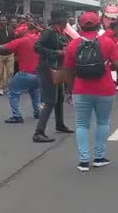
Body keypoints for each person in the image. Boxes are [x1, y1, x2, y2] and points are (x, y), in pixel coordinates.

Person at [64, 11, 118, 172]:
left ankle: (83, 161)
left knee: (82, 124)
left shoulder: (73, 44)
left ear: (80, 25)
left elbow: (68, 70)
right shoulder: (108, 42)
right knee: (102, 122)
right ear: (99, 24)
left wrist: (70, 91)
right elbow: (117, 65)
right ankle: (99, 157)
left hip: (81, 89)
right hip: (105, 89)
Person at [0, 30, 41, 124]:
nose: (15, 35)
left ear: (20, 33)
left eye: (16, 34)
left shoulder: (20, 41)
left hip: (26, 73)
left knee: (13, 93)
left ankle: (17, 116)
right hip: (40, 74)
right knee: (35, 92)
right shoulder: (38, 39)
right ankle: (38, 112)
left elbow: (4, 49)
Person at [33, 9, 74, 143]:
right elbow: (37, 47)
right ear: (60, 20)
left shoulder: (60, 33)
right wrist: (56, 52)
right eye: (66, 19)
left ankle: (60, 124)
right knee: (50, 100)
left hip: (58, 68)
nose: (67, 21)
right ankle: (39, 132)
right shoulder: (49, 32)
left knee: (60, 97)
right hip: (48, 68)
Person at [0, 16, 15, 96]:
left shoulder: (10, 29)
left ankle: (9, 88)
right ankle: (1, 88)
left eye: (5, 20)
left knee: (10, 72)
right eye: (2, 20)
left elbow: (14, 41)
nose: (4, 21)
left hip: (9, 54)